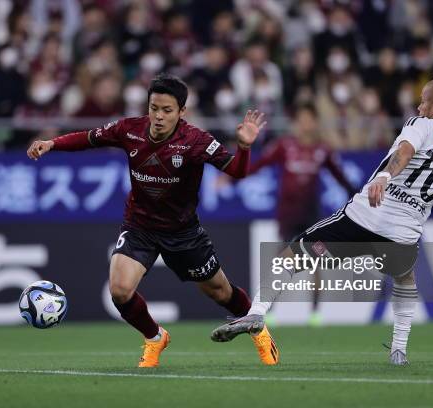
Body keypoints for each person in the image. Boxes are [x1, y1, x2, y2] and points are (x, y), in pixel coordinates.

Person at [210, 78, 433, 365]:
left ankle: (258, 312)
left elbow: (405, 151)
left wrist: (383, 176)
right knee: (405, 280)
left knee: (291, 255)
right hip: (403, 236)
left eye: (423, 103)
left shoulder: (423, 124)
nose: (418, 108)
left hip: (364, 218)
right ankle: (398, 351)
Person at [27, 74, 279, 367]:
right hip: (140, 227)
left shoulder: (196, 140)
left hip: (183, 232)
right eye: (154, 108)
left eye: (167, 110)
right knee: (120, 290)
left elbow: (236, 171)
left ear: (182, 112)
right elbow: (89, 138)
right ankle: (155, 337)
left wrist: (245, 147)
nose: (158, 116)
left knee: (221, 292)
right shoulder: (129, 129)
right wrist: (51, 143)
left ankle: (258, 328)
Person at [243, 103, 356, 325]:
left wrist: (357, 196)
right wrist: (233, 175)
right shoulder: (284, 146)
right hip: (288, 214)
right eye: (301, 119)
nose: (305, 124)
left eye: (309, 119)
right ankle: (269, 310)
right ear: (296, 123)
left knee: (315, 263)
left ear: (314, 122)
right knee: (280, 261)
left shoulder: (323, 149)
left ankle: (314, 313)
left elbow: (340, 177)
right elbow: (260, 164)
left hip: (311, 214)